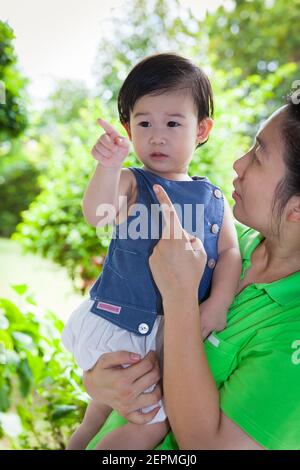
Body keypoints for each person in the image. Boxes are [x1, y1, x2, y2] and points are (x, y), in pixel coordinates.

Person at [83, 99, 300, 450]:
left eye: (259, 155)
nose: (238, 163)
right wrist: (100, 382)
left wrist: (181, 296)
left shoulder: (293, 328)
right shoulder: (224, 244)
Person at [61, 53, 241, 450]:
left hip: (165, 332)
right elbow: (98, 214)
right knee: (148, 422)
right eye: (144, 123)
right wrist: (108, 167)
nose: (157, 136)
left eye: (173, 123)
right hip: (121, 319)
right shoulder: (130, 182)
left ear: (202, 129)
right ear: (128, 128)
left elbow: (230, 253)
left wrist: (219, 303)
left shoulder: (213, 197)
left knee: (102, 410)